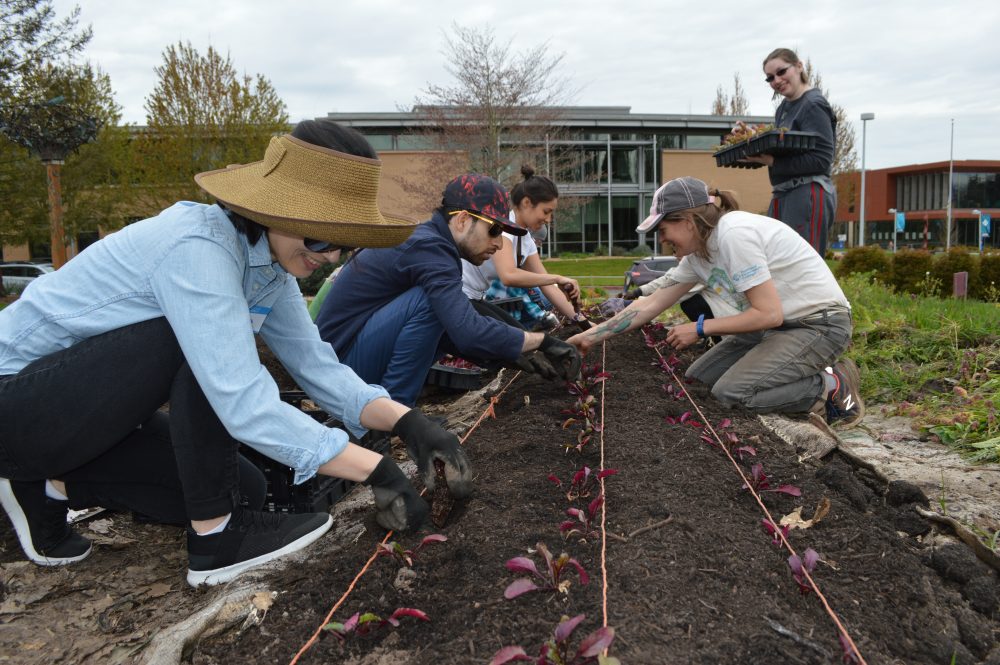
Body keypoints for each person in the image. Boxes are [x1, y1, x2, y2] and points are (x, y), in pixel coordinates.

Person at [0, 120, 472, 587]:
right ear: (279, 212)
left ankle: (45, 484)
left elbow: (316, 365)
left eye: (343, 245)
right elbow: (241, 399)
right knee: (192, 345)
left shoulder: (270, 269)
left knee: (246, 489)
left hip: (79, 413)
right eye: (321, 239)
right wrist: (377, 469)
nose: (330, 257)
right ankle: (215, 542)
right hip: (15, 401)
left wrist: (408, 422)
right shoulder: (197, 250)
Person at [567, 176, 864, 428]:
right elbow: (649, 304)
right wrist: (589, 338)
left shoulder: (734, 235)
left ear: (687, 221)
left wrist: (699, 328)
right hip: (780, 327)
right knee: (698, 381)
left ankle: (831, 387)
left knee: (731, 394)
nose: (663, 240)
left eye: (663, 230)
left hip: (819, 325)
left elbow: (769, 313)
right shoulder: (699, 255)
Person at [315, 173, 582, 406]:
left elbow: (456, 332)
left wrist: (514, 352)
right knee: (431, 304)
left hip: (340, 363)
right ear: (463, 220)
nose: (500, 245)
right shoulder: (431, 250)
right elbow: (466, 332)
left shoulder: (431, 243)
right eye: (494, 230)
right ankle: (393, 413)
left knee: (446, 311)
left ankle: (392, 410)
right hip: (338, 371)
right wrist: (543, 341)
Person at [461, 165, 590, 331]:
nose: (549, 219)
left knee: (517, 340)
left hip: (476, 299)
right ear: (527, 202)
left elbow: (548, 287)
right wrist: (557, 278)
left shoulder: (525, 238)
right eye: (546, 211)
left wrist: (582, 322)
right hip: (459, 297)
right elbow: (508, 275)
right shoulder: (502, 226)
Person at [742, 47, 837, 257]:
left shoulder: (813, 105)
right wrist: (753, 140)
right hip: (785, 193)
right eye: (770, 78)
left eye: (781, 72)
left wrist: (772, 161)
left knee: (803, 269)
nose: (776, 80)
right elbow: (785, 148)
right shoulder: (784, 108)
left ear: (799, 66)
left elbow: (821, 160)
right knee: (779, 265)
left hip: (807, 193)